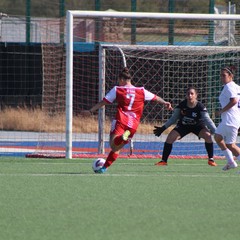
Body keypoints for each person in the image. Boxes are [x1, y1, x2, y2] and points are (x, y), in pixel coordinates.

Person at [82, 67, 173, 173]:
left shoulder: (118, 89)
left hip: (121, 120)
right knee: (117, 148)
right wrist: (165, 102)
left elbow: (104, 102)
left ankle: (121, 137)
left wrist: (91, 111)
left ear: (121, 79)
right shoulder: (141, 91)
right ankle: (103, 168)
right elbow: (156, 98)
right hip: (133, 124)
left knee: (113, 145)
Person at [153, 86, 217, 166]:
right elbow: (173, 119)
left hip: (198, 126)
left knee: (208, 136)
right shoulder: (181, 105)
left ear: (196, 95)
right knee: (170, 138)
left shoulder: (200, 107)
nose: (190, 95)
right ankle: (164, 161)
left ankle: (211, 159)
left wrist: (216, 131)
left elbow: (208, 120)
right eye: (188, 94)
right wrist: (163, 128)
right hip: (183, 126)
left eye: (192, 94)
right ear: (186, 96)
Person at [214, 66, 240, 171]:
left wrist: (221, 111)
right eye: (221, 75)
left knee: (231, 145)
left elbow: (234, 101)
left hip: (230, 120)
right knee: (217, 137)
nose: (222, 77)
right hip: (231, 119)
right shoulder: (237, 86)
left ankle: (232, 161)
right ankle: (231, 161)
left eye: (224, 75)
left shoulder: (229, 86)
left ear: (231, 76)